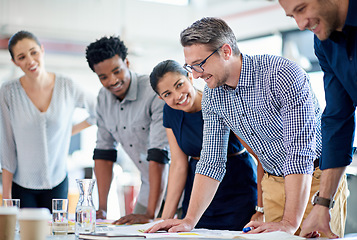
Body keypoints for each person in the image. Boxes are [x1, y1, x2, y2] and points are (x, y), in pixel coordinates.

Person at [146, 17, 347, 236]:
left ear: (225, 51)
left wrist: (289, 222)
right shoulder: (213, 96)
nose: (195, 75)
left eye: (200, 64)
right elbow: (211, 161)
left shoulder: (282, 75)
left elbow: (298, 153)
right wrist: (188, 220)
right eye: (190, 67)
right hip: (272, 182)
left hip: (315, 180)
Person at [149, 59, 258, 230]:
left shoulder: (217, 100)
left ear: (189, 77)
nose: (177, 96)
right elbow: (178, 165)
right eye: (167, 94)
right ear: (160, 97)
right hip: (197, 191)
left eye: (179, 85)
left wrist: (261, 208)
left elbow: (256, 152)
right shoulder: (170, 111)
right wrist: (165, 218)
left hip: (237, 185)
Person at [278, 0, 355, 238]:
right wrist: (322, 204)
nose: (301, 25)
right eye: (293, 17)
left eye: (302, 9)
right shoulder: (324, 43)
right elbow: (337, 118)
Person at [0, 30, 96, 210]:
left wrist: (68, 131)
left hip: (58, 181)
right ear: (14, 62)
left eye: (33, 52)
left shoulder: (67, 86)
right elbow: (7, 146)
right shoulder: (7, 92)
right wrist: (7, 196)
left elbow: (99, 110)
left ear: (42, 50)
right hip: (22, 184)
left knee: (56, 236)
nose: (30, 60)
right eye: (21, 57)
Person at [85, 36, 169, 224]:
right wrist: (102, 209)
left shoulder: (152, 90)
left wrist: (150, 214)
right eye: (103, 77)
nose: (112, 81)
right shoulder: (103, 99)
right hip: (149, 186)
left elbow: (159, 154)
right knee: (131, 232)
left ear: (127, 62)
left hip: (180, 186)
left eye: (117, 71)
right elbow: (104, 154)